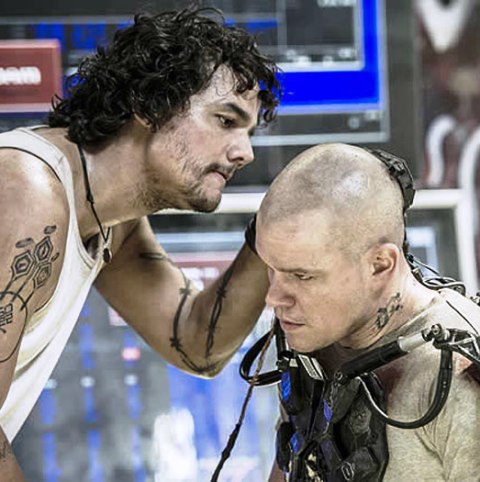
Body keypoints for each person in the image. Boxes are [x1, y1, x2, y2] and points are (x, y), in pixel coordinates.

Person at [0, 7, 280, 479]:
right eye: (225, 120)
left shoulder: (113, 219)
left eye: (248, 132)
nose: (245, 152)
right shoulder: (27, 191)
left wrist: (272, 227)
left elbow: (197, 343)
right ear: (150, 106)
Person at [254, 144, 480, 481]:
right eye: (271, 269)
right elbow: (292, 462)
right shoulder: (317, 333)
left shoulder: (454, 374)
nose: (274, 297)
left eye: (302, 276)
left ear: (380, 265)